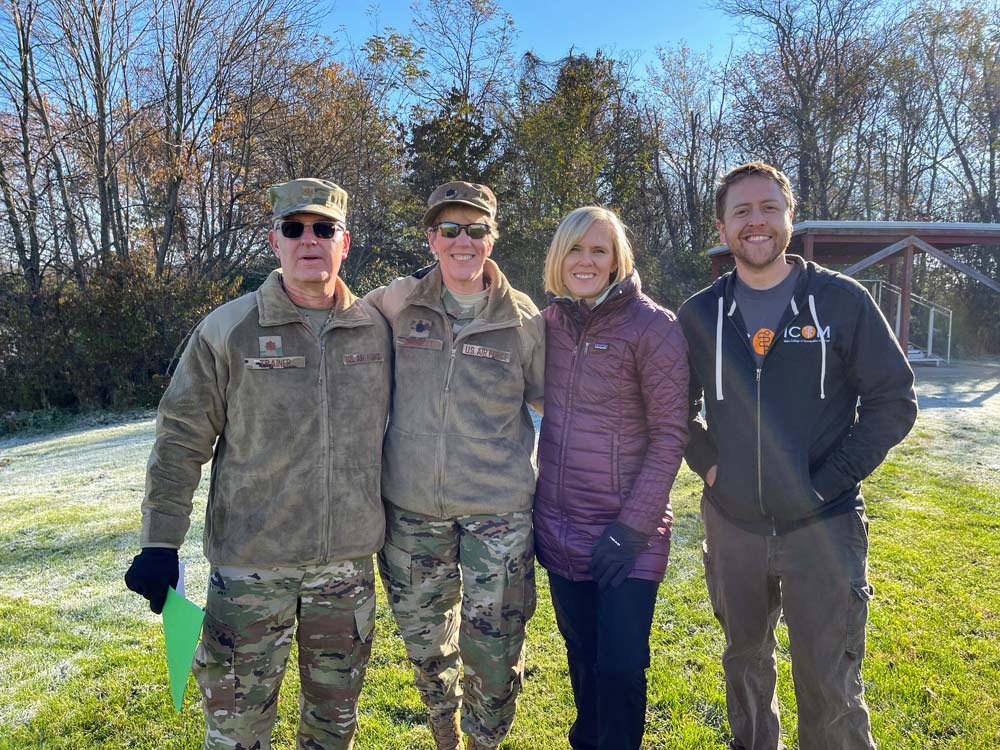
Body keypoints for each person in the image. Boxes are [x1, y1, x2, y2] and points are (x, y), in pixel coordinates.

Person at [124, 178, 392, 750]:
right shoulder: (228, 329)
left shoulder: (376, 330)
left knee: (334, 727)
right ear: (275, 241)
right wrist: (159, 543)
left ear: (345, 242)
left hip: (344, 571)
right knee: (237, 731)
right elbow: (179, 440)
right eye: (294, 229)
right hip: (249, 571)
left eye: (324, 229)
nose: (309, 240)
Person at [679, 162, 918, 750]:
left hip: (824, 526)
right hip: (733, 525)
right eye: (741, 211)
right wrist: (710, 466)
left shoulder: (841, 302)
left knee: (829, 680)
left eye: (768, 208)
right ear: (722, 227)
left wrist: (826, 483)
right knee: (744, 662)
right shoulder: (699, 315)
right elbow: (671, 409)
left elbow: (892, 402)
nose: (756, 221)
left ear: (791, 216)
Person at [365, 181, 545, 750]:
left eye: (475, 229)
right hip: (412, 509)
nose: (462, 241)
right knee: (425, 642)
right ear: (432, 239)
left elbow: (556, 404)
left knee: (494, 648)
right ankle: (444, 726)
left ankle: (485, 740)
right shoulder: (398, 303)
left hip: (498, 513)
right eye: (449, 229)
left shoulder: (523, 319)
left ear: (492, 238)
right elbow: (332, 318)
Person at [533, 206, 689, 750]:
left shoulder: (654, 327)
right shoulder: (548, 325)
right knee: (582, 656)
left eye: (599, 250)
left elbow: (670, 434)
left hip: (627, 536)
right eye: (575, 249)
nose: (586, 260)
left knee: (620, 666)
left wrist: (632, 528)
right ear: (559, 258)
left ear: (617, 259)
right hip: (559, 529)